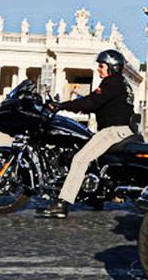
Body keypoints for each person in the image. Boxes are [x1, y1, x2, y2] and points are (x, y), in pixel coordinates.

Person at [37, 49, 135, 218]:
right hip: (120, 130)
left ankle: (62, 204)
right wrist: (80, 105)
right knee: (95, 160)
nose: (99, 69)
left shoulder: (111, 82)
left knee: (80, 159)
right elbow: (97, 103)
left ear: (111, 67)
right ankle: (95, 199)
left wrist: (61, 106)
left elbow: (91, 102)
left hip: (113, 131)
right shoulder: (121, 83)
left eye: (102, 66)